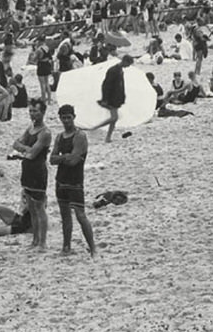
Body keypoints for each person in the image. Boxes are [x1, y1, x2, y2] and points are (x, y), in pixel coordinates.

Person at [49, 105, 96, 256]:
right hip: (61, 181)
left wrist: (62, 157)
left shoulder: (80, 136)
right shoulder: (60, 137)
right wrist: (65, 157)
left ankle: (93, 248)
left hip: (75, 181)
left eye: (69, 117)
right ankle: (66, 247)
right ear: (60, 118)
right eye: (64, 118)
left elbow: (74, 161)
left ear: (74, 117)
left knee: (81, 215)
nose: (67, 121)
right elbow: (52, 159)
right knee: (65, 216)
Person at [9, 98, 51, 249]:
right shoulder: (31, 128)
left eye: (35, 111)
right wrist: (27, 149)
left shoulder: (45, 132)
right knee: (31, 208)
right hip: (27, 170)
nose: (32, 114)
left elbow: (32, 153)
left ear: (43, 112)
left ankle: (43, 242)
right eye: (31, 111)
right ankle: (35, 240)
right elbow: (15, 143)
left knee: (39, 208)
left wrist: (24, 148)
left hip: (38, 171)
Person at [95, 53, 132, 143]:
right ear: (124, 61)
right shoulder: (113, 70)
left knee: (114, 119)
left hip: (116, 97)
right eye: (128, 64)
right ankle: (96, 127)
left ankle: (108, 137)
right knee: (114, 118)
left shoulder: (119, 70)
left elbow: (120, 85)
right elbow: (106, 85)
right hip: (112, 97)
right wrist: (105, 99)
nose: (128, 66)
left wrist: (122, 96)